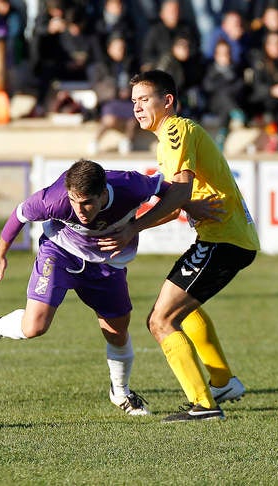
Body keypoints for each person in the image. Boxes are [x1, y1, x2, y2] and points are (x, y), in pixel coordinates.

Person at [0, 159, 221, 415]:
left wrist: (190, 206)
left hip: (108, 263)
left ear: (103, 192)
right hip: (60, 253)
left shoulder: (130, 186)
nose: (80, 209)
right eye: (74, 201)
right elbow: (19, 214)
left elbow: (168, 190)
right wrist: (0, 254)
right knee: (34, 327)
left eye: (87, 203)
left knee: (117, 332)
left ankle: (120, 393)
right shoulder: (54, 199)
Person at [98, 69, 258, 422]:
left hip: (223, 239)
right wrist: (150, 219)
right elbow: (178, 200)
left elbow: (179, 192)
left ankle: (204, 405)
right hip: (227, 238)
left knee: (160, 321)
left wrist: (132, 228)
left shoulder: (173, 130)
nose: (137, 108)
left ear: (167, 101)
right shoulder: (174, 135)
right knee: (181, 309)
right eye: (134, 101)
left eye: (145, 100)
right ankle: (223, 382)